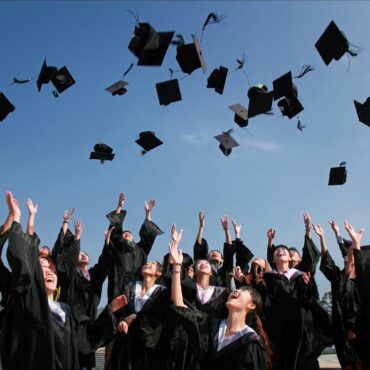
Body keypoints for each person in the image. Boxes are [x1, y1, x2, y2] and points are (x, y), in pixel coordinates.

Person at [169, 225, 271, 370]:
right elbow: (180, 306)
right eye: (236, 290)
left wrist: (234, 233)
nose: (235, 291)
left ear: (252, 305)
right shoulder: (212, 326)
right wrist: (177, 267)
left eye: (242, 290)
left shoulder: (251, 342)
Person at [52, 207, 114, 370]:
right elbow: (65, 259)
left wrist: (106, 243)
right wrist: (75, 236)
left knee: (86, 360)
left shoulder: (94, 274)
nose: (83, 255)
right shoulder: (71, 275)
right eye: (80, 254)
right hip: (71, 321)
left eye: (85, 254)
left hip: (88, 320)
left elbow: (104, 263)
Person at [314, 223, 362, 370]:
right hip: (341, 329)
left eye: (350, 254)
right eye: (346, 255)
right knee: (347, 364)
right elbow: (327, 259)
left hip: (360, 328)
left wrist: (353, 326)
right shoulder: (338, 277)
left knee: (360, 362)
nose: (347, 257)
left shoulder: (362, 278)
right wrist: (322, 237)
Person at [108, 260, 169, 370]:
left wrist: (135, 317)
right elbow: (120, 310)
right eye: (146, 263)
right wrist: (121, 321)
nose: (148, 264)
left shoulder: (162, 292)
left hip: (148, 343)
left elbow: (159, 318)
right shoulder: (130, 287)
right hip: (126, 341)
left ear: (159, 273)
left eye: (153, 264)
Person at [107, 193, 164, 302]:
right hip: (118, 286)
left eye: (129, 233)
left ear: (133, 237)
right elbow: (114, 231)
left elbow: (147, 234)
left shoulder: (141, 249)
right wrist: (119, 207)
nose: (126, 234)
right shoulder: (117, 248)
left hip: (137, 287)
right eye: (123, 234)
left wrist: (148, 214)